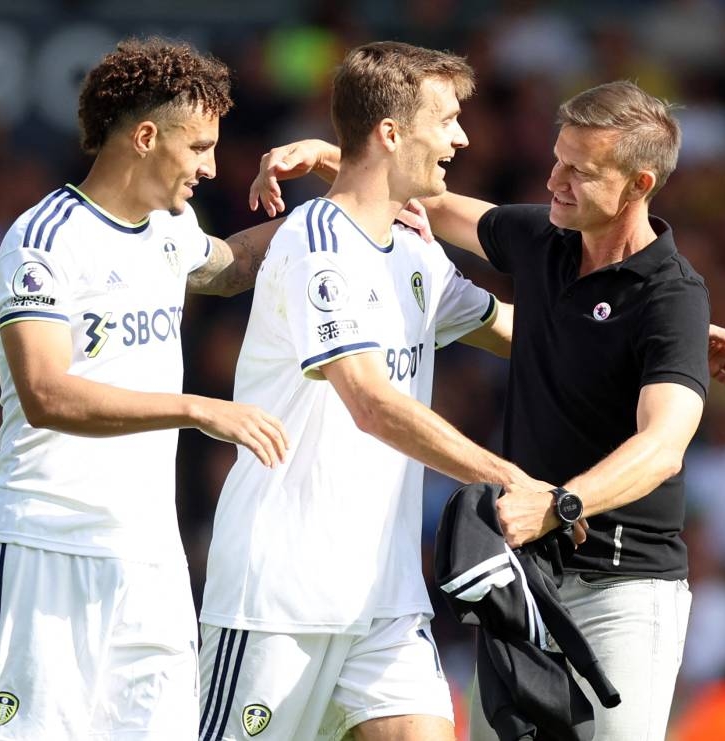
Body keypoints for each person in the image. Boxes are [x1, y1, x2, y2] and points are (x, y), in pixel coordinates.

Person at [248, 81, 725, 741]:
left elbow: (663, 445)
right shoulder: (543, 237)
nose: (555, 180)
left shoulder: (672, 295)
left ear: (639, 184)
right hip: (519, 579)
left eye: (580, 170)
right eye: (556, 158)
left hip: (623, 591)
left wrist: (560, 504)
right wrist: (330, 156)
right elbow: (426, 197)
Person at [197, 41, 553, 741]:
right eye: (447, 119)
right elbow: (370, 401)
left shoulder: (414, 249)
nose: (462, 137)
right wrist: (507, 478)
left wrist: (663, 335)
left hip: (385, 602)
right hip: (279, 601)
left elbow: (520, 331)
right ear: (391, 133)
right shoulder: (316, 241)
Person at [0, 37, 289, 740]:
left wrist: (336, 217)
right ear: (145, 136)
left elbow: (230, 265)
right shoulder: (45, 239)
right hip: (46, 549)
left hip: (149, 562)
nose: (209, 167)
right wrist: (196, 408)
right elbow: (47, 392)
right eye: (198, 147)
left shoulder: (170, 229)